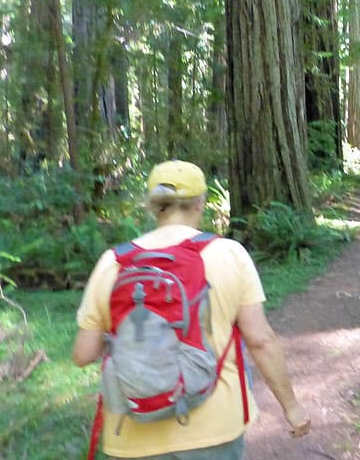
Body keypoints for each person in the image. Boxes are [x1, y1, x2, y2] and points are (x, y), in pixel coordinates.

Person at [73, 160, 311, 459]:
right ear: (200, 203)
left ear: (153, 206)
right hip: (213, 430)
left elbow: (82, 354)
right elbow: (260, 340)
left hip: (132, 431)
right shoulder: (229, 254)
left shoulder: (113, 261)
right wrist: (292, 407)